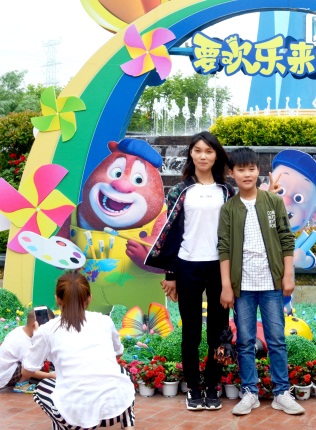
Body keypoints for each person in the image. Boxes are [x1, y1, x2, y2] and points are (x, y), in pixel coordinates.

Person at [145, 131, 233, 410]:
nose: (203, 156)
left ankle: (213, 386)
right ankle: (194, 389)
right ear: (191, 154)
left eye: (209, 151)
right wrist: (170, 275)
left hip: (219, 266)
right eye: (198, 150)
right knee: (191, 332)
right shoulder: (180, 190)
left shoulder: (227, 191)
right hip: (187, 265)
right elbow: (170, 233)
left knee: (218, 332)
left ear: (216, 155)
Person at [218, 147, 305, 416]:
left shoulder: (273, 202)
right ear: (231, 173)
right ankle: (249, 392)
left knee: (276, 339)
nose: (247, 174)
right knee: (245, 341)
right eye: (241, 169)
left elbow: (286, 239)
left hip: (271, 284)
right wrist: (226, 286)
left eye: (251, 169)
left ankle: (281, 393)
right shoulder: (229, 208)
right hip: (242, 286)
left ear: (258, 171)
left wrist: (288, 275)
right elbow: (223, 248)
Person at [23, 271, 135, 429]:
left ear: (57, 299)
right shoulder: (104, 321)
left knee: (43, 388)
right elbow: (119, 352)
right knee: (122, 374)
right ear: (89, 298)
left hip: (75, 419)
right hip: (115, 411)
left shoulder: (47, 330)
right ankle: (128, 425)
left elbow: (27, 370)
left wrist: (37, 336)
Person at [0, 309, 56, 394]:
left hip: (9, 368)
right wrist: (51, 375)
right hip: (5, 376)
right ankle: (21, 384)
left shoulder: (20, 330)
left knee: (38, 360)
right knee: (32, 362)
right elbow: (28, 367)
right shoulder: (23, 342)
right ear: (34, 326)